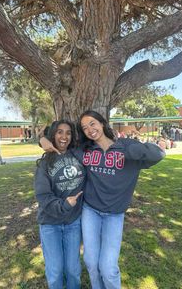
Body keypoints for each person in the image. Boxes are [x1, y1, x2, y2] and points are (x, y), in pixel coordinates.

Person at [40, 111, 165, 289]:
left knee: (108, 268)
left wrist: (133, 149)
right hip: (90, 211)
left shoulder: (125, 146)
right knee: (91, 263)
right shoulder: (85, 151)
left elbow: (159, 154)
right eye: (84, 128)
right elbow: (60, 143)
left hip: (114, 215)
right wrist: (43, 140)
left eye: (92, 123)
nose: (90, 129)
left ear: (102, 123)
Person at [35, 120, 86, 289]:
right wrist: (64, 205)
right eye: (59, 132)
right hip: (50, 223)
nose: (64, 136)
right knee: (55, 271)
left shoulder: (77, 154)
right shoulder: (44, 164)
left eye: (68, 133)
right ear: (53, 135)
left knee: (72, 270)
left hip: (73, 222)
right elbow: (43, 196)